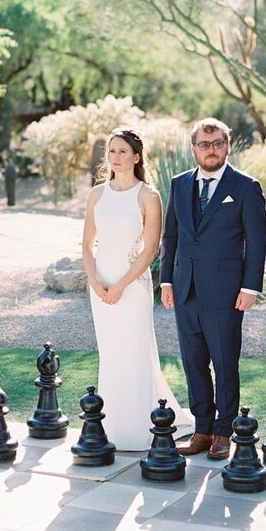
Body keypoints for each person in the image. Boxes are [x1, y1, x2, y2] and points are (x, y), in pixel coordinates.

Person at [160, 117, 266, 460]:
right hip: (185, 288)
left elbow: (257, 241)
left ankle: (224, 432)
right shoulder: (179, 184)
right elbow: (171, 237)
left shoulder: (246, 186)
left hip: (226, 291)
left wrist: (251, 287)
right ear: (194, 149)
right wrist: (166, 280)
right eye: (204, 145)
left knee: (224, 363)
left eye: (217, 143)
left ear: (227, 146)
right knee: (193, 364)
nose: (211, 150)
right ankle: (202, 429)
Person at [82, 128, 191, 450]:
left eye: (122, 151)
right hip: (99, 285)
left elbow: (150, 249)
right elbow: (87, 245)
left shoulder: (148, 196)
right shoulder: (96, 195)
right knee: (111, 353)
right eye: (111, 151)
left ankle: (142, 427)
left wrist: (121, 286)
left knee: (134, 351)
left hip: (132, 286)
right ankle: (111, 425)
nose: (115, 157)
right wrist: (93, 279)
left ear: (136, 156)